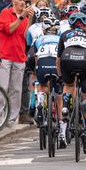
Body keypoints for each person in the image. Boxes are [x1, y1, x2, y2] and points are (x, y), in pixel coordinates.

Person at [0, 0, 35, 126]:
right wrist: (21, 17)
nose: (23, 2)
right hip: (5, 56)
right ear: (13, 0)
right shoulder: (5, 12)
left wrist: (28, 19)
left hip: (19, 57)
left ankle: (11, 120)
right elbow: (9, 29)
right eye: (20, 0)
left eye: (25, 0)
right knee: (2, 88)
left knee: (16, 91)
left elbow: (25, 37)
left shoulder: (25, 16)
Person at [57, 12, 86, 151]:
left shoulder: (65, 34)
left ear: (71, 25)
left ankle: (66, 105)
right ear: (85, 24)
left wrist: (61, 76)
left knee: (68, 85)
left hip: (68, 58)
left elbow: (58, 59)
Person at [32, 17, 66, 146]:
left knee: (42, 85)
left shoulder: (39, 39)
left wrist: (34, 70)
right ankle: (62, 134)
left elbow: (34, 59)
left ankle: (40, 102)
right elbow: (62, 58)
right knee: (59, 96)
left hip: (42, 64)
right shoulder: (60, 39)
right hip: (55, 65)